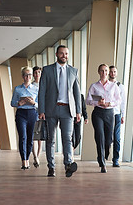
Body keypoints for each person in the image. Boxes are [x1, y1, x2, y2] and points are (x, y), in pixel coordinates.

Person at [38, 45, 82, 177]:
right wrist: (41, 110)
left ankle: (68, 164)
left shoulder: (73, 71)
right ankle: (51, 167)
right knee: (51, 139)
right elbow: (42, 91)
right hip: (51, 109)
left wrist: (78, 111)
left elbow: (77, 93)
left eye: (66, 54)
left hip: (67, 110)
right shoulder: (47, 70)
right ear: (56, 54)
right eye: (62, 53)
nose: (64, 56)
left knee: (67, 138)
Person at [86, 64, 121, 173]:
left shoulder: (113, 86)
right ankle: (102, 163)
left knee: (109, 139)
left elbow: (119, 100)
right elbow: (87, 100)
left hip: (109, 113)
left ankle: (104, 155)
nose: (104, 73)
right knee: (99, 137)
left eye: (106, 71)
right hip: (98, 113)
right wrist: (97, 102)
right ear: (98, 72)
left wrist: (110, 103)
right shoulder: (94, 86)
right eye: (102, 71)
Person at [11, 66, 39, 170]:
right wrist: (19, 103)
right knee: (23, 136)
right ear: (23, 76)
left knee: (30, 138)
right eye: (26, 75)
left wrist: (33, 103)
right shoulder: (18, 89)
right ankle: (24, 161)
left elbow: (40, 104)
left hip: (32, 113)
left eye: (30, 75)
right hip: (21, 114)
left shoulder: (36, 89)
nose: (28, 77)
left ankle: (28, 158)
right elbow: (12, 103)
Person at [109, 65, 126, 167]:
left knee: (117, 138)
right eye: (111, 72)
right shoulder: (105, 85)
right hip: (107, 113)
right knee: (107, 138)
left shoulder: (121, 86)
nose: (112, 73)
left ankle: (115, 159)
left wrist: (123, 115)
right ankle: (104, 155)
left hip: (117, 114)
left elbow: (123, 102)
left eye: (114, 71)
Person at [31, 66, 43, 168]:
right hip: (34, 112)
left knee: (40, 138)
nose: (37, 74)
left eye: (39, 72)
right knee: (34, 136)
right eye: (35, 72)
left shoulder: (44, 86)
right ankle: (35, 156)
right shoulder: (31, 86)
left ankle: (37, 157)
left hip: (43, 113)